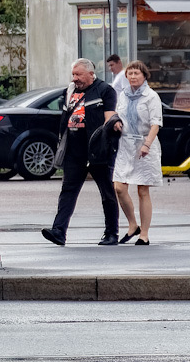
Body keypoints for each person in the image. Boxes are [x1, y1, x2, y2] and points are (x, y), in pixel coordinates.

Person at [41, 58, 121, 246]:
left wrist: (115, 123)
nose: (75, 78)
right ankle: (59, 231)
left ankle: (111, 233)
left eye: (78, 74)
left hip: (97, 150)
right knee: (68, 191)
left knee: (107, 192)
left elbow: (109, 116)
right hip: (74, 151)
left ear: (91, 74)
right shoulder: (69, 91)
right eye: (73, 74)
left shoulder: (105, 90)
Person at [112, 60, 163, 244]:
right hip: (126, 145)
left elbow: (155, 123)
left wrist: (147, 145)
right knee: (119, 187)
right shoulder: (123, 95)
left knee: (142, 190)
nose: (133, 76)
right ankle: (133, 224)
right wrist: (116, 123)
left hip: (144, 145)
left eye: (136, 73)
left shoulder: (151, 96)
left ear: (144, 76)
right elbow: (118, 115)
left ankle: (144, 234)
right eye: (130, 73)